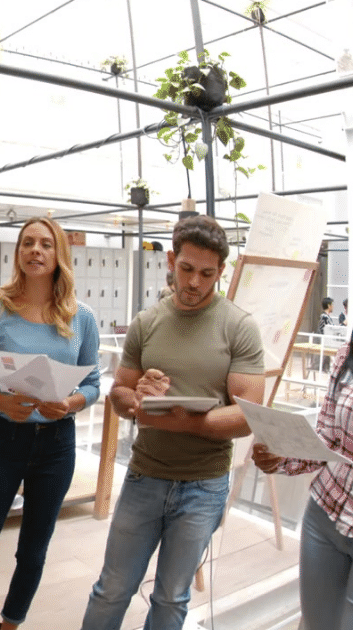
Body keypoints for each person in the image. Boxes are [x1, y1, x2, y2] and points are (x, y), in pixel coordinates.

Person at [79, 215, 265, 630]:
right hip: (146, 476)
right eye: (186, 269)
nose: (195, 282)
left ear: (220, 271)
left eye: (207, 274)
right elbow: (120, 395)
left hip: (204, 486)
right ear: (170, 259)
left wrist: (187, 423)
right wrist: (139, 394)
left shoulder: (239, 326)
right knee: (112, 589)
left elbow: (249, 414)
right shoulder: (147, 322)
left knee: (171, 598)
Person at [0, 217, 101, 630]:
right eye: (28, 243)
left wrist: (70, 403)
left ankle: (10, 623)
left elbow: (95, 384)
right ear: (18, 253)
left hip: (57, 444)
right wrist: (0, 402)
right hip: (3, 440)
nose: (35, 250)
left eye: (46, 244)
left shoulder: (82, 318)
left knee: (33, 550)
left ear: (59, 254)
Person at [252, 341, 353, 629]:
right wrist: (280, 457)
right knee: (315, 624)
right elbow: (328, 438)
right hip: (325, 511)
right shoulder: (348, 353)